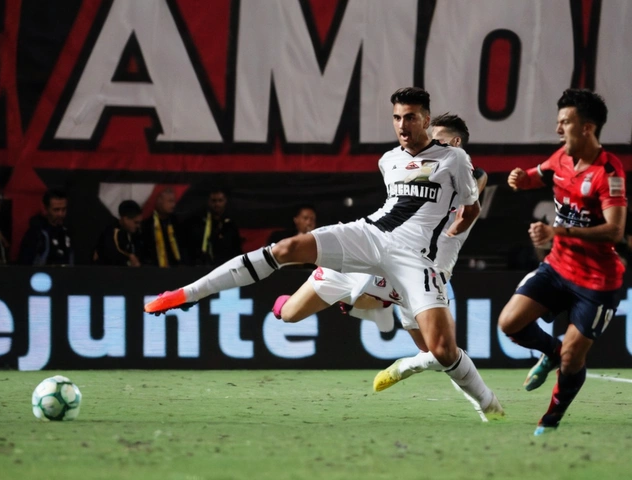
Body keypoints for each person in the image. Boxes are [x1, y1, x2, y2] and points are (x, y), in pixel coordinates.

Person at [144, 87, 503, 415]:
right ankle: (188, 293)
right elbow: (404, 199)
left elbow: (474, 195)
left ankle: (488, 407)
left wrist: (459, 216)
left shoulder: (457, 161)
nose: (403, 125)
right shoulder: (389, 160)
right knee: (287, 258)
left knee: (439, 351)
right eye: (397, 117)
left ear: (426, 120)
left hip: (416, 262)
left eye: (410, 117)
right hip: (369, 237)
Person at [271, 114, 492, 408]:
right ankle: (365, 305)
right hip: (383, 259)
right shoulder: (424, 173)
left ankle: (405, 358)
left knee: (436, 352)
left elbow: (479, 177)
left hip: (422, 275)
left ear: (455, 143)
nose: (429, 146)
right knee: (289, 315)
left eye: (436, 139)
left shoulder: (464, 174)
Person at [497, 89, 626, 436]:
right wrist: (519, 178)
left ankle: (551, 419)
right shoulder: (561, 158)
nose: (558, 130)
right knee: (509, 323)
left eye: (565, 123)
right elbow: (535, 175)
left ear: (587, 127)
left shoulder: (609, 172)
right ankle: (550, 351)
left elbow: (615, 231)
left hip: (597, 282)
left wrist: (559, 231)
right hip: (558, 268)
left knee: (573, 360)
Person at [183, 189, 243, 266]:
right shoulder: (198, 223)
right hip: (202, 267)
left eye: (220, 200)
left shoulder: (230, 224)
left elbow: (236, 249)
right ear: (208, 202)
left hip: (225, 267)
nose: (217, 204)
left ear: (225, 201)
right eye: (214, 201)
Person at [18, 188, 74, 265]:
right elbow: (24, 266)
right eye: (56, 210)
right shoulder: (36, 235)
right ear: (46, 209)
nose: (60, 214)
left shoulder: (67, 233)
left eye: (63, 209)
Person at [94, 200, 144, 266]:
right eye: (136, 222)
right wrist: (130, 258)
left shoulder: (134, 234)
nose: (138, 226)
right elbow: (112, 256)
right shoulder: (111, 233)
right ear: (125, 219)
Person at [141, 188, 182, 267]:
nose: (173, 205)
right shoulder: (148, 225)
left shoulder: (177, 223)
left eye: (174, 201)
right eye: (170, 201)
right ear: (159, 201)